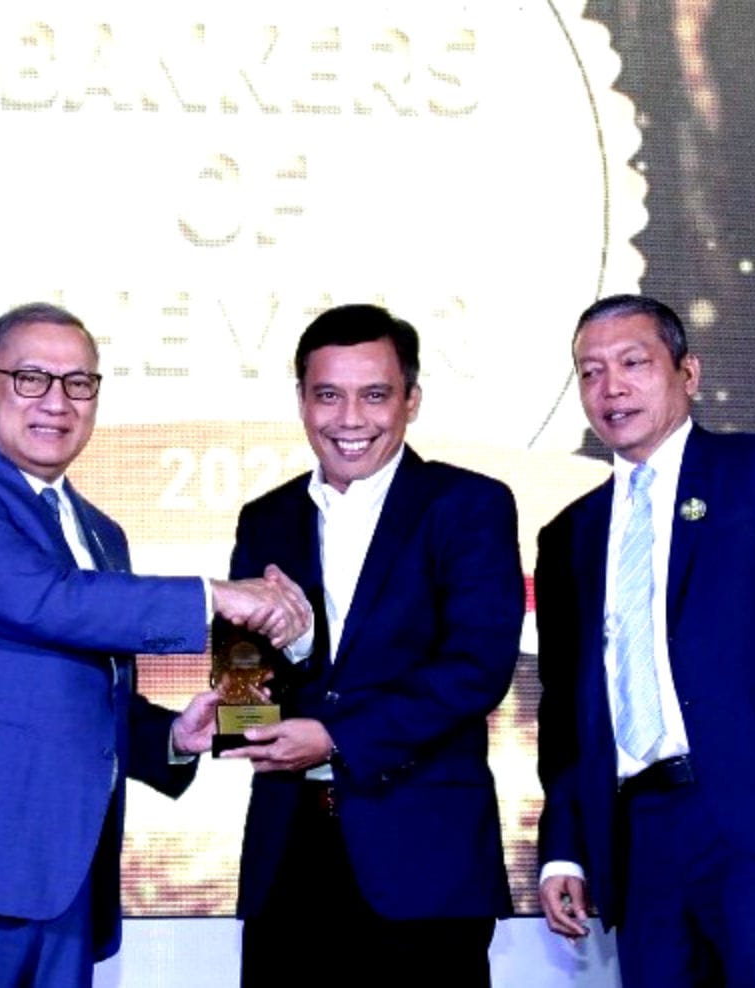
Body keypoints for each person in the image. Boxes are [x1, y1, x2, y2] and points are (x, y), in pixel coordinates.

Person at [0, 302, 310, 988]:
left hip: (65, 884)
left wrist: (173, 738)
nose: (57, 402)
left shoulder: (102, 532)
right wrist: (214, 597)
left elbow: (86, 688)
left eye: (79, 383)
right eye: (31, 378)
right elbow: (42, 601)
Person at [534, 294, 755, 986]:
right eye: (591, 372)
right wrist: (564, 848)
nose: (611, 388)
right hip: (636, 836)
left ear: (687, 373)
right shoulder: (569, 534)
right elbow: (567, 712)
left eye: (633, 363)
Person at [221, 303, 524, 987]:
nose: (350, 419)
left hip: (424, 857)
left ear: (411, 400)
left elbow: (477, 667)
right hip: (288, 856)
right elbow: (242, 700)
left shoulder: (467, 505)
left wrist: (335, 736)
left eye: (375, 395)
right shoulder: (265, 519)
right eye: (328, 395)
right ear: (302, 401)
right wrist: (288, 658)